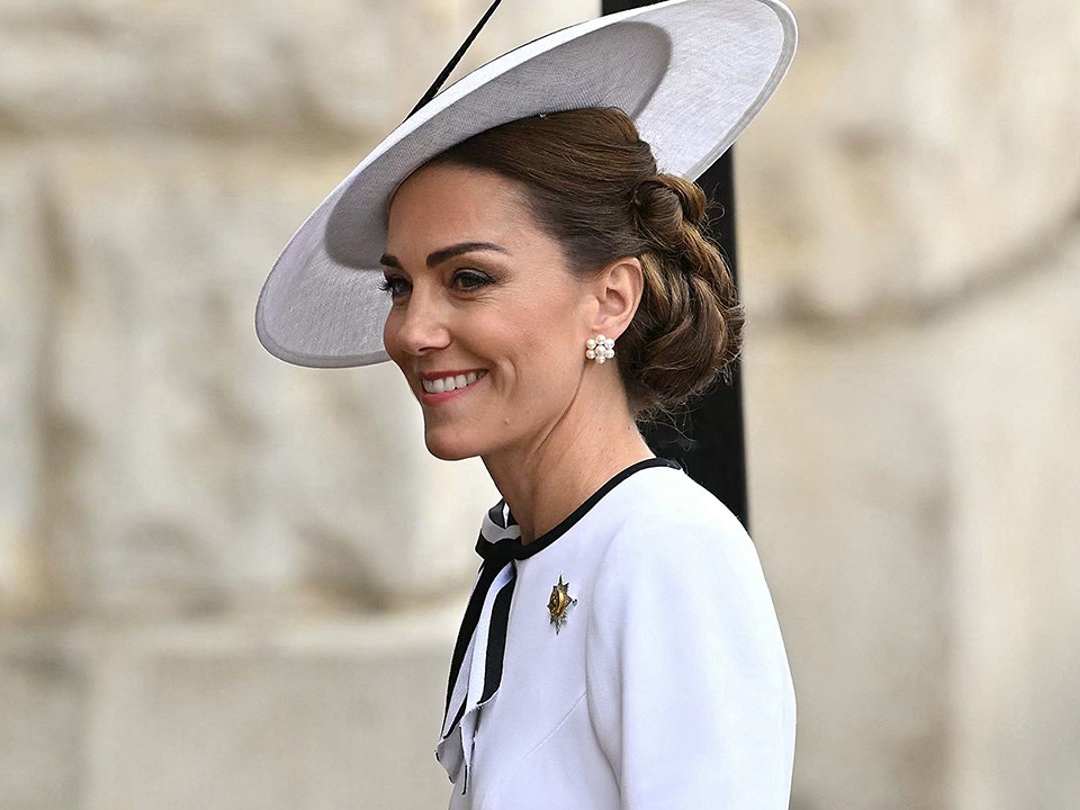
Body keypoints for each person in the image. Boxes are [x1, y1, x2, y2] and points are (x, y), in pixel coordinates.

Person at [253, 0, 799, 807]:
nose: (413, 330)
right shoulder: (528, 555)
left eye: (468, 278)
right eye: (400, 285)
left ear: (610, 299)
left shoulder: (664, 552)